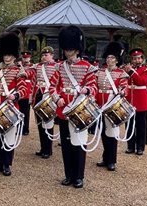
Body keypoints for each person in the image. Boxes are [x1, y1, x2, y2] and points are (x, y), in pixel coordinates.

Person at [49, 26, 97, 188]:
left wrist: (87, 90)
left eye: (70, 49)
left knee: (79, 144)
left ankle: (79, 176)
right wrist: (57, 98)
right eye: (66, 49)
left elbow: (93, 87)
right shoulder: (60, 67)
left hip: (78, 111)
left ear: (76, 49)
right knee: (67, 145)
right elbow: (52, 86)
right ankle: (69, 175)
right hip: (63, 111)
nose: (67, 52)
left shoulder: (87, 67)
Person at [0, 32, 27, 176]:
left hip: (10, 107)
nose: (7, 57)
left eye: (9, 55)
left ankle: (7, 164)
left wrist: (15, 95)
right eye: (5, 55)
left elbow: (24, 90)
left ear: (14, 56)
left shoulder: (19, 72)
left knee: (9, 136)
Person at [95, 41, 128, 171]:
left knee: (112, 132)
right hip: (100, 103)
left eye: (113, 57)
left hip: (112, 102)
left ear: (117, 59)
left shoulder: (121, 73)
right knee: (103, 132)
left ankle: (112, 160)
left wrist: (123, 91)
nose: (110, 59)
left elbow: (124, 86)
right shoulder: (100, 72)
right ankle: (105, 157)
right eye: (108, 57)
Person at [124, 48, 147, 156]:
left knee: (140, 125)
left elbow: (141, 81)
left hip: (141, 100)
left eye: (138, 58)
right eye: (134, 58)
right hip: (129, 99)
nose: (136, 60)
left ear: (142, 59)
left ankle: (140, 147)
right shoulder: (126, 69)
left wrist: (131, 71)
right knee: (129, 125)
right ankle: (130, 146)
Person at [31, 46, 57, 159]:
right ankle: (43, 148)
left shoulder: (57, 66)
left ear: (52, 55)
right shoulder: (37, 66)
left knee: (48, 123)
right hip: (38, 95)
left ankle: (48, 149)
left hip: (49, 95)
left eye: (46, 55)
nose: (44, 57)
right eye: (42, 55)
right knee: (40, 124)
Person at [19, 51, 34, 135]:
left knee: (26, 111)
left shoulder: (32, 66)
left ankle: (25, 129)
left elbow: (30, 75)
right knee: (19, 111)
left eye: (27, 58)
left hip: (27, 91)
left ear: (29, 58)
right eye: (24, 58)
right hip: (19, 91)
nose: (25, 59)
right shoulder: (18, 66)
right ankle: (19, 127)